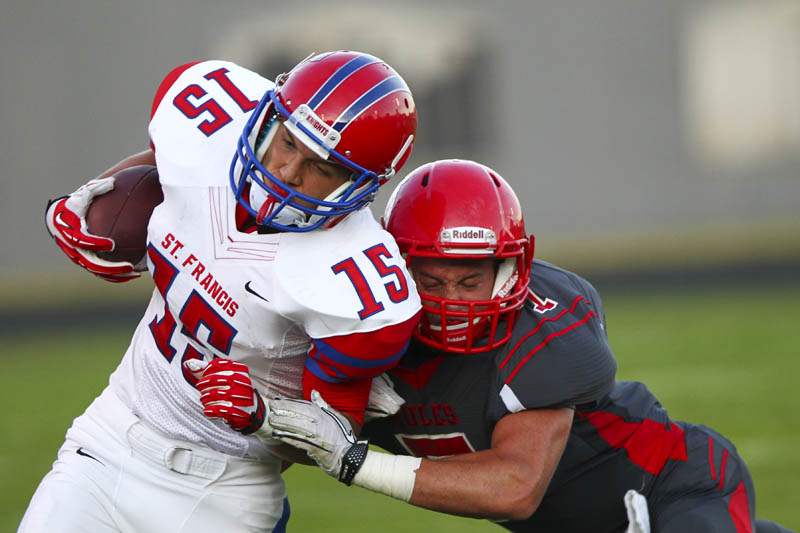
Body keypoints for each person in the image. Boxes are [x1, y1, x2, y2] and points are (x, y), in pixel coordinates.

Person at [252, 160, 794, 532]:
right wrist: (284, 411)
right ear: (396, 271)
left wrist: (354, 459)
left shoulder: (544, 330)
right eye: (433, 282)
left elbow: (517, 486)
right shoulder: (365, 334)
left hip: (669, 485)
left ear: (509, 271)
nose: (454, 305)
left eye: (470, 283)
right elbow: (303, 440)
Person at [21, 51, 421, 533]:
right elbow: (164, 167)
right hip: (110, 435)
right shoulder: (206, 123)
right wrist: (90, 203)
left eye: (323, 168)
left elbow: (328, 442)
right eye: (288, 141)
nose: (289, 171)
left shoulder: (352, 282)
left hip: (224, 490)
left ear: (363, 185)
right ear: (268, 116)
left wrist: (264, 415)